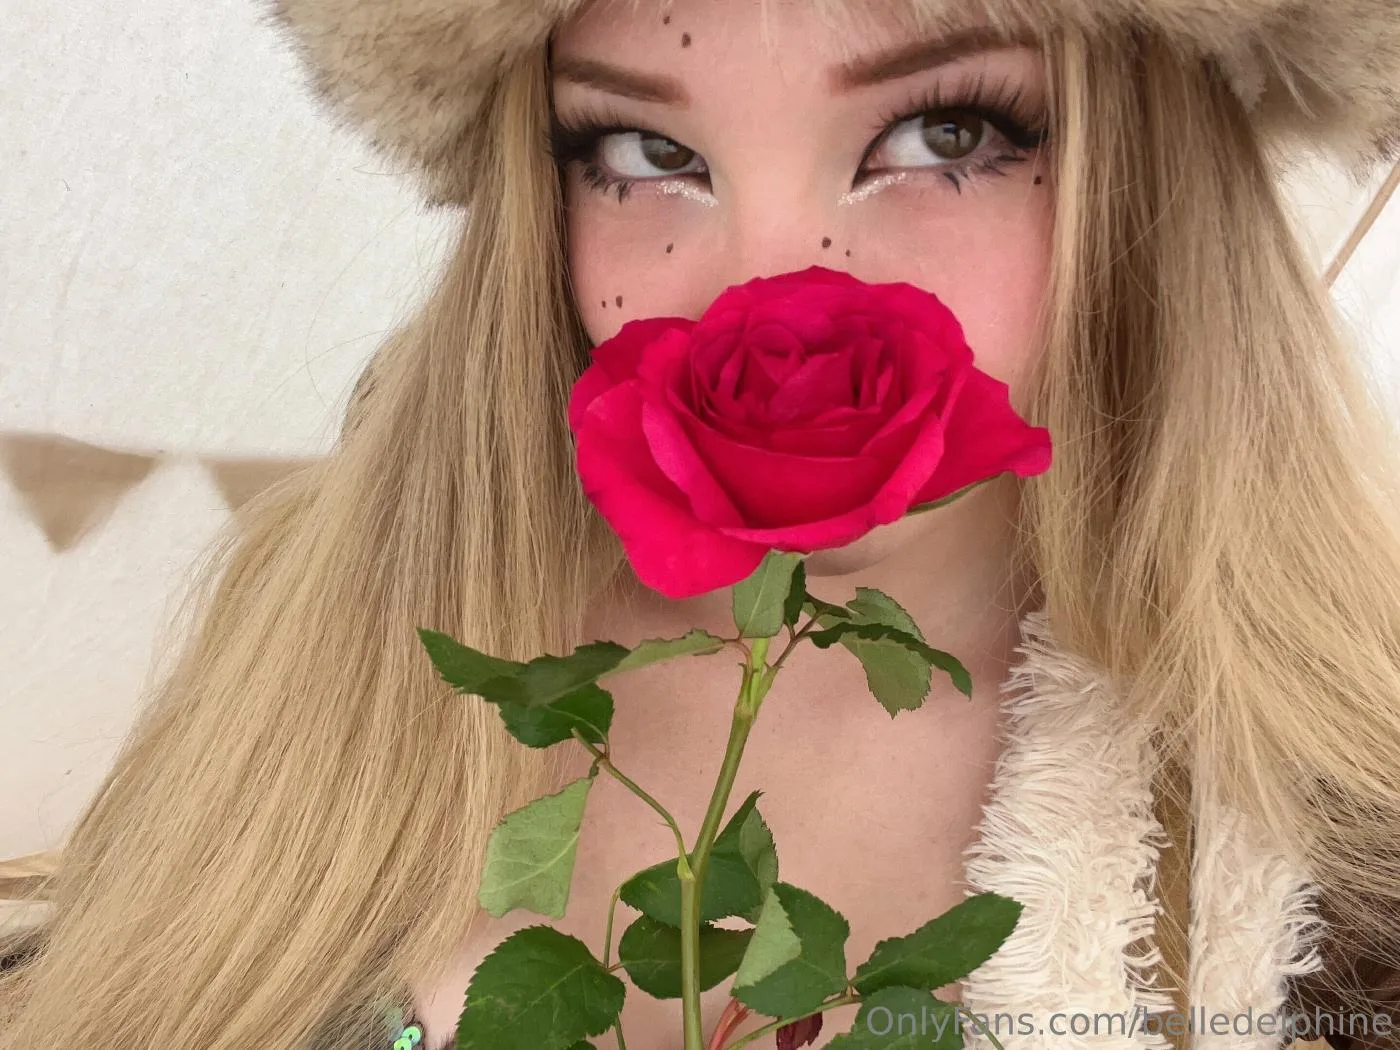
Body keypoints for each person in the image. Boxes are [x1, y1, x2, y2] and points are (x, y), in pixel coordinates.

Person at [4, 0, 1400, 1047]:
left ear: (1154, 178)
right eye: (646, 150)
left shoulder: (1336, 849)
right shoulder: (319, 632)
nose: (769, 293)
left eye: (947, 133)